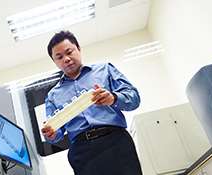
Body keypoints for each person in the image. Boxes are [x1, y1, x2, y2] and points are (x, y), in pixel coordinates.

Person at [41, 30, 142, 175]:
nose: (66, 59)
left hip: (116, 142)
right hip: (82, 153)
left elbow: (134, 98)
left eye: (69, 52)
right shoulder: (52, 96)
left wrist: (113, 98)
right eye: (59, 57)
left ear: (79, 49)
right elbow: (55, 134)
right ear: (55, 62)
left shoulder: (105, 70)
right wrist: (50, 134)